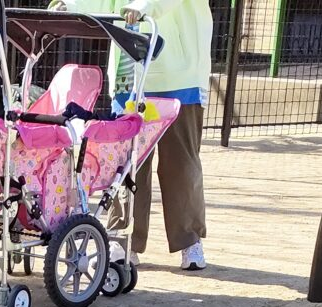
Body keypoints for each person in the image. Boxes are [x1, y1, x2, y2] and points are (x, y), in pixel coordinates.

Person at [61, 0, 213, 270]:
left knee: (181, 163)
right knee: (126, 164)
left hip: (181, 75)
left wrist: (144, 6)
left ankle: (190, 240)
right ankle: (123, 238)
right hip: (129, 74)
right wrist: (71, 3)